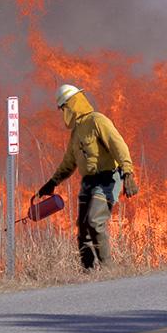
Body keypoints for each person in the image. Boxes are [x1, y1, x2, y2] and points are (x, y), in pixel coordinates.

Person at [37, 85, 139, 270]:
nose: (63, 112)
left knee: (94, 220)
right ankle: (88, 272)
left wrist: (128, 173)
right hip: (88, 183)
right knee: (83, 228)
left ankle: (109, 271)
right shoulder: (76, 132)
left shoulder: (97, 120)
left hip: (107, 179)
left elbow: (118, 145)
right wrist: (52, 182)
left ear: (72, 104)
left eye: (64, 107)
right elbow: (69, 162)